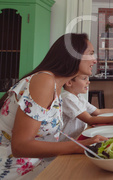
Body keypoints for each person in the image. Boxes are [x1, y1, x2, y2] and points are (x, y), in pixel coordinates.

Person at [0, 33, 107, 179]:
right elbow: (20, 146)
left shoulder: (56, 86)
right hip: (14, 172)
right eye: (91, 54)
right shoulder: (44, 81)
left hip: (40, 165)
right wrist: (80, 145)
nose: (94, 60)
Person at [60, 74, 113, 142]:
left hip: (78, 137)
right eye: (84, 78)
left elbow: (97, 111)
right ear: (69, 82)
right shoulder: (67, 98)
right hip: (68, 142)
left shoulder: (79, 97)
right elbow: (90, 119)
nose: (88, 82)